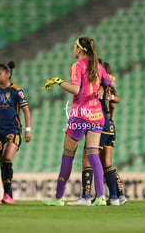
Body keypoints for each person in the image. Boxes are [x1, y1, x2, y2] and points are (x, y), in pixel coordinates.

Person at [42, 37, 115, 207]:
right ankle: (101, 197)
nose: (73, 50)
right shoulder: (98, 66)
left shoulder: (77, 66)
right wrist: (102, 88)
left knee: (68, 154)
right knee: (93, 155)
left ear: (80, 50)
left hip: (81, 116)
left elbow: (76, 89)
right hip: (97, 116)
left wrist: (58, 81)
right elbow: (108, 83)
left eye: (74, 47)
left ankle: (58, 198)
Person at [67, 60, 126, 206]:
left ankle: (86, 196)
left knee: (88, 159)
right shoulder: (106, 85)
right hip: (110, 126)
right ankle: (116, 197)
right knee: (107, 163)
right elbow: (114, 99)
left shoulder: (96, 86)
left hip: (99, 122)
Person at [0, 61, 32, 204]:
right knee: (3, 163)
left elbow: (26, 111)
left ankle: (8, 195)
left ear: (7, 74)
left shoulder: (16, 91)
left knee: (7, 158)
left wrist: (28, 130)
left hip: (13, 130)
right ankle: (7, 194)